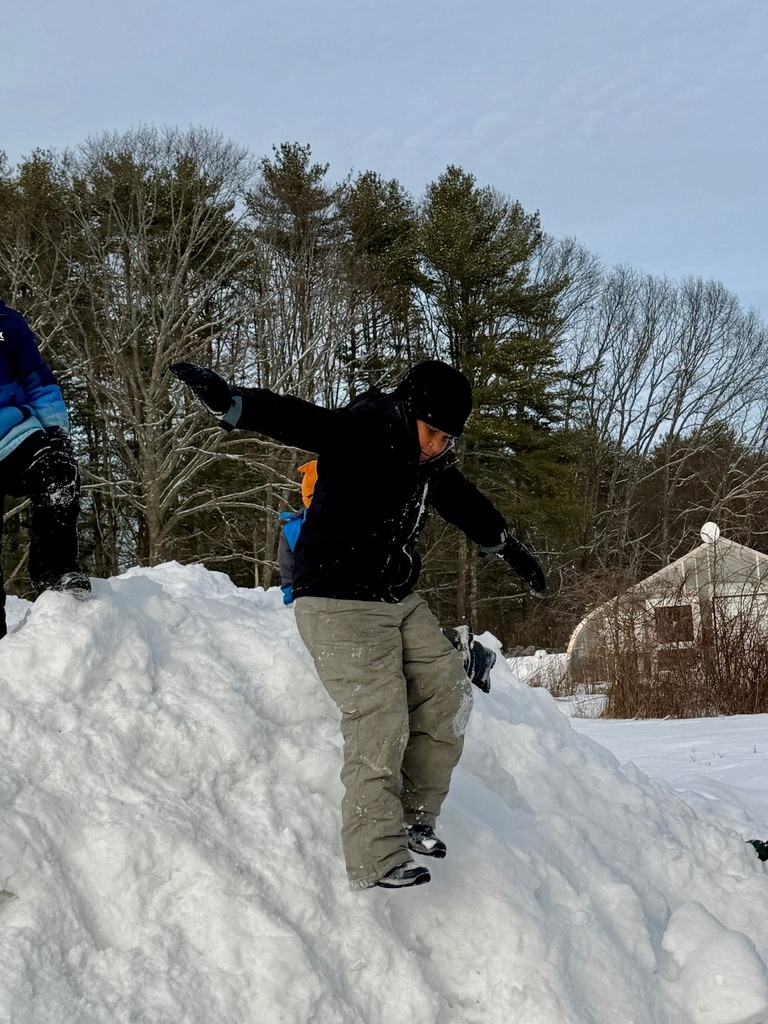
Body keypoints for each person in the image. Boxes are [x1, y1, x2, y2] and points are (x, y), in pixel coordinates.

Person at [171, 358, 546, 890]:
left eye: (447, 438)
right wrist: (233, 404)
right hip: (335, 597)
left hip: (394, 594)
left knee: (448, 688)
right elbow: (305, 421)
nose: (437, 445)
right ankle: (376, 855)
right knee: (380, 713)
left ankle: (417, 817)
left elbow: (459, 498)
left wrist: (505, 545)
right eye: (432, 431)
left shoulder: (428, 460)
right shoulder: (371, 425)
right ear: (412, 410)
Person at [278, 459, 498, 692]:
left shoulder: (351, 520)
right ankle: (458, 651)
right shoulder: (294, 528)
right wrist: (291, 595)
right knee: (386, 646)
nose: (321, 502)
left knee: (401, 640)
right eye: (312, 497)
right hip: (325, 600)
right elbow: (287, 566)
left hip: (366, 597)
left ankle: (464, 653)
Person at [0, 300, 89, 638]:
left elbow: (38, 381)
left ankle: (55, 572)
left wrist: (57, 433)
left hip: (13, 431)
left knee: (58, 472)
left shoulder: (9, 324)